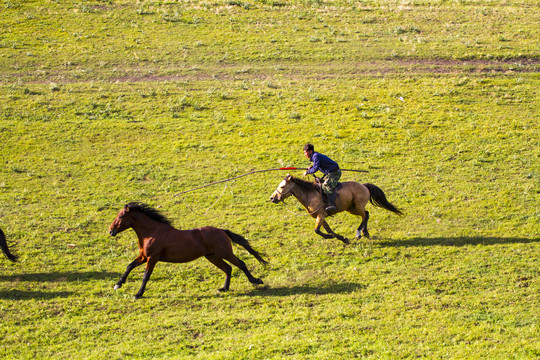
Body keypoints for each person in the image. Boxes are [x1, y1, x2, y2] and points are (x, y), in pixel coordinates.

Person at [303, 144, 341, 212]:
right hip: (330, 173)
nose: (305, 154)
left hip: (334, 173)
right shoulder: (315, 156)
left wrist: (308, 172)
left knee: (326, 185)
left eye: (305, 152)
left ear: (310, 151)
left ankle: (332, 204)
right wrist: (311, 167)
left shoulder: (316, 156)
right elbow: (316, 165)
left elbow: (316, 169)